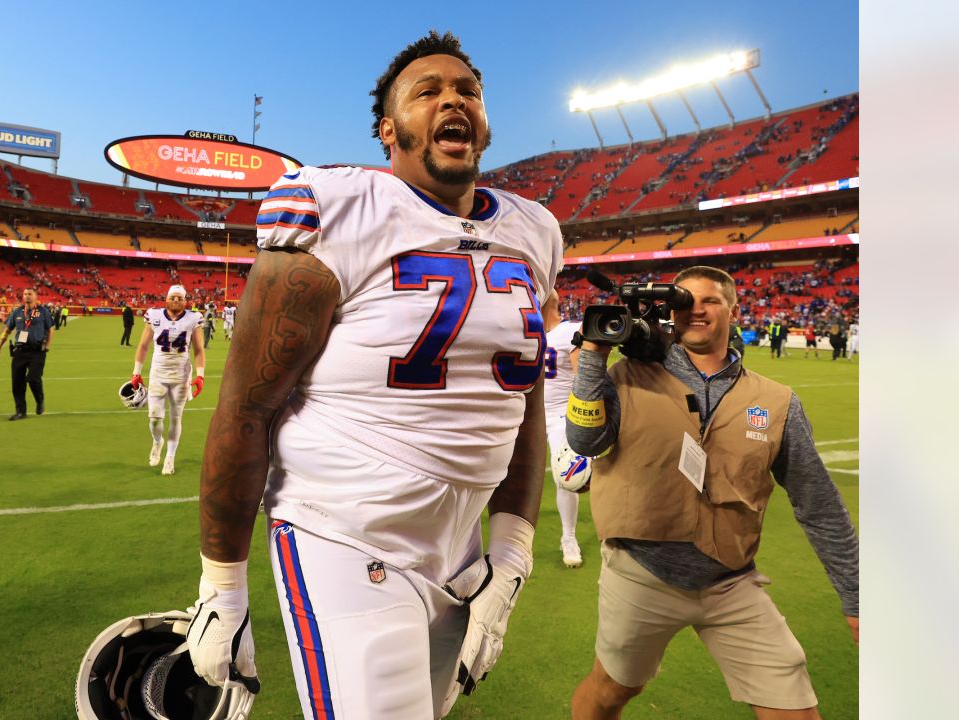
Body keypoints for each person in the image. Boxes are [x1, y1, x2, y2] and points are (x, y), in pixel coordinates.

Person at [185, 31, 561, 719]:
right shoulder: (337, 207)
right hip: (344, 529)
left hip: (462, 545)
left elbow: (525, 406)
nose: (454, 100)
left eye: (467, 91)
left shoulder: (535, 232)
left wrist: (510, 557)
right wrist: (222, 588)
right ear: (389, 129)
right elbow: (244, 408)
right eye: (429, 92)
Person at [566, 265, 858, 719]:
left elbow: (818, 505)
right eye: (685, 301)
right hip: (640, 574)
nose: (696, 310)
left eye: (710, 301)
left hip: (731, 581)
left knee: (794, 704)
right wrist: (591, 357)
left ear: (734, 310)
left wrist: (856, 597)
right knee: (610, 691)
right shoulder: (628, 376)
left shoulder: (777, 401)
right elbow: (586, 442)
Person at [130, 285, 206, 475]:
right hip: (158, 373)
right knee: (155, 419)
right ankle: (157, 442)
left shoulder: (193, 318)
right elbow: (143, 345)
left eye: (180, 298)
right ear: (166, 299)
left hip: (181, 374)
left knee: (176, 417)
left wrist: (200, 375)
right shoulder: (154, 316)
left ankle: (170, 458)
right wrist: (136, 372)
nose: (176, 300)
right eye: (173, 297)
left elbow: (198, 350)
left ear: (185, 301)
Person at [540, 290, 586, 568]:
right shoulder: (526, 333)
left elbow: (584, 378)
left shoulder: (570, 331)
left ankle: (568, 537)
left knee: (566, 473)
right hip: (526, 415)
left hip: (561, 415)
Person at [0, 287, 55, 420]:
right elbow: (7, 330)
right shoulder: (17, 312)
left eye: (30, 294)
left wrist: (47, 346)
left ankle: (39, 400)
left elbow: (50, 329)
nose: (27, 296)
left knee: (33, 378)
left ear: (36, 296)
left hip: (37, 350)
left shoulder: (43, 311)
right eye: (25, 294)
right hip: (20, 350)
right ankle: (21, 411)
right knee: (17, 382)